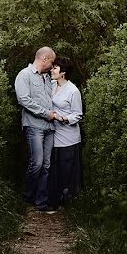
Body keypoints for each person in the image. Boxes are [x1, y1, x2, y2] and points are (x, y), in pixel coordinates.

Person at [14, 46, 58, 212]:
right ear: (44, 58)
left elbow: (51, 99)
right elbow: (24, 100)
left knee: (46, 165)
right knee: (37, 163)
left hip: (50, 127)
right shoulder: (24, 75)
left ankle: (41, 202)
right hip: (34, 126)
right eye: (52, 62)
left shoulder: (47, 78)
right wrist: (46, 113)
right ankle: (28, 196)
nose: (52, 66)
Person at [47, 57, 83, 209]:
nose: (51, 70)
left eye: (55, 68)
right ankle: (54, 201)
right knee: (53, 169)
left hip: (68, 137)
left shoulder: (73, 91)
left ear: (63, 72)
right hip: (53, 134)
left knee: (66, 170)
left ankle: (69, 203)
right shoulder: (51, 84)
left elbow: (78, 114)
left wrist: (62, 118)